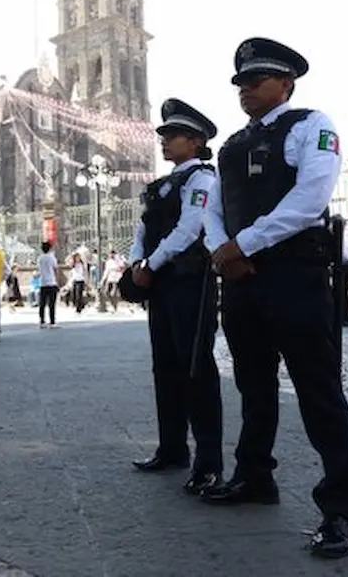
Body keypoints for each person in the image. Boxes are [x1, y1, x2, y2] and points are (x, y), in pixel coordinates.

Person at [201, 38, 348, 558]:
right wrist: (223, 250)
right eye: (242, 83)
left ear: (286, 83)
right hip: (242, 279)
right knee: (253, 386)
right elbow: (214, 208)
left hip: (293, 274)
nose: (246, 89)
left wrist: (242, 244)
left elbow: (310, 198)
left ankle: (341, 506)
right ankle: (254, 476)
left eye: (257, 80)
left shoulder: (311, 126)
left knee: (318, 391)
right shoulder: (230, 145)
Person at [126, 98, 223, 497]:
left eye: (173, 135)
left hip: (188, 282)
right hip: (162, 283)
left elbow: (190, 229)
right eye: (163, 135)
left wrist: (150, 264)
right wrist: (136, 264)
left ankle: (209, 462)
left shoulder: (202, 179)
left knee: (195, 368)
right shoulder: (159, 185)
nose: (164, 141)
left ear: (196, 141)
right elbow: (141, 230)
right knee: (164, 367)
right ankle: (171, 447)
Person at [37, 241, 59, 328]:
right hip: (51, 282)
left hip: (43, 283)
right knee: (52, 304)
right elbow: (55, 269)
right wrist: (57, 281)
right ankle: (52, 322)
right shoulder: (52, 258)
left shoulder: (40, 258)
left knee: (42, 303)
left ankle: (42, 321)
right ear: (50, 248)